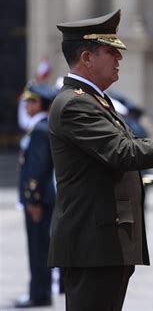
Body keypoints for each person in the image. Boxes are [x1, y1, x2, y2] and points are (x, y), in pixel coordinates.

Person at [48, 9, 153, 311]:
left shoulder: (93, 100)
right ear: (87, 58)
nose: (120, 58)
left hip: (106, 241)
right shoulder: (75, 105)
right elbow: (124, 153)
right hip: (93, 243)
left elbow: (131, 144)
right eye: (110, 51)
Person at [16, 84, 57, 308]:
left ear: (42, 105)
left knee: (39, 248)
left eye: (32, 102)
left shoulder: (40, 129)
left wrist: (33, 199)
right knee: (36, 247)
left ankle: (39, 294)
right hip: (38, 198)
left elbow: (38, 169)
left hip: (39, 200)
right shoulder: (37, 127)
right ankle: (38, 291)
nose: (28, 105)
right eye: (27, 102)